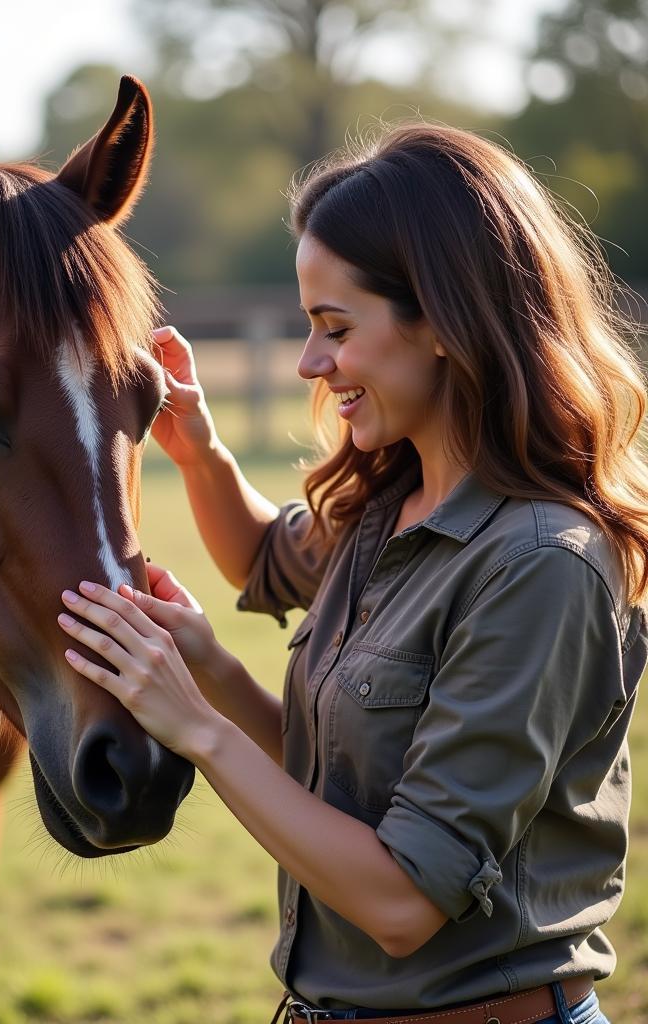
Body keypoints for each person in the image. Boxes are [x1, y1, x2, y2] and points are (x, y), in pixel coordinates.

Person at [55, 123, 648, 1024]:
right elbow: (270, 586)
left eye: (336, 328)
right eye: (307, 327)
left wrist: (198, 727)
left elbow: (403, 901)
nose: (309, 362)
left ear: (445, 322)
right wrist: (210, 666)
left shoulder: (541, 568)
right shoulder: (387, 505)